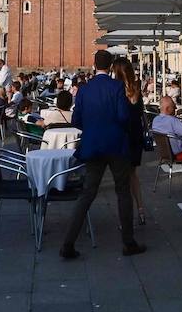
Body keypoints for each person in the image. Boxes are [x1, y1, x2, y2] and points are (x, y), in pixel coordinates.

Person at [59, 50, 145, 259]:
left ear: (94, 64)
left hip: (93, 146)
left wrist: (93, 128)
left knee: (87, 194)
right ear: (110, 66)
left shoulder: (84, 90)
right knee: (123, 192)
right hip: (117, 146)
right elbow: (124, 117)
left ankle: (68, 244)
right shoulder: (117, 87)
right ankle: (128, 243)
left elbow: (76, 120)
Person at [112, 57, 148, 226]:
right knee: (133, 175)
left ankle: (125, 218)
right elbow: (140, 114)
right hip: (136, 136)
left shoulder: (116, 90)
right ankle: (141, 210)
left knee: (122, 179)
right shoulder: (137, 88)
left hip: (122, 136)